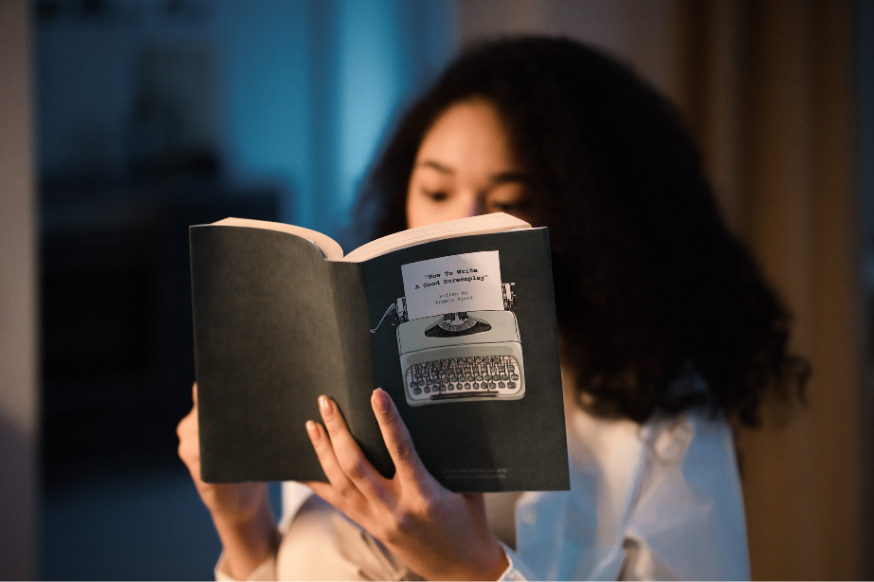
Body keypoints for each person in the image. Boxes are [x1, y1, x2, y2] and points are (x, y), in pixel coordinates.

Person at [177, 35, 809, 580]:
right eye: (436, 189)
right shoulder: (357, 381)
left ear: (592, 220)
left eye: (508, 199)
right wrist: (243, 527)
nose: (459, 227)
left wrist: (471, 568)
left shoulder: (664, 418)